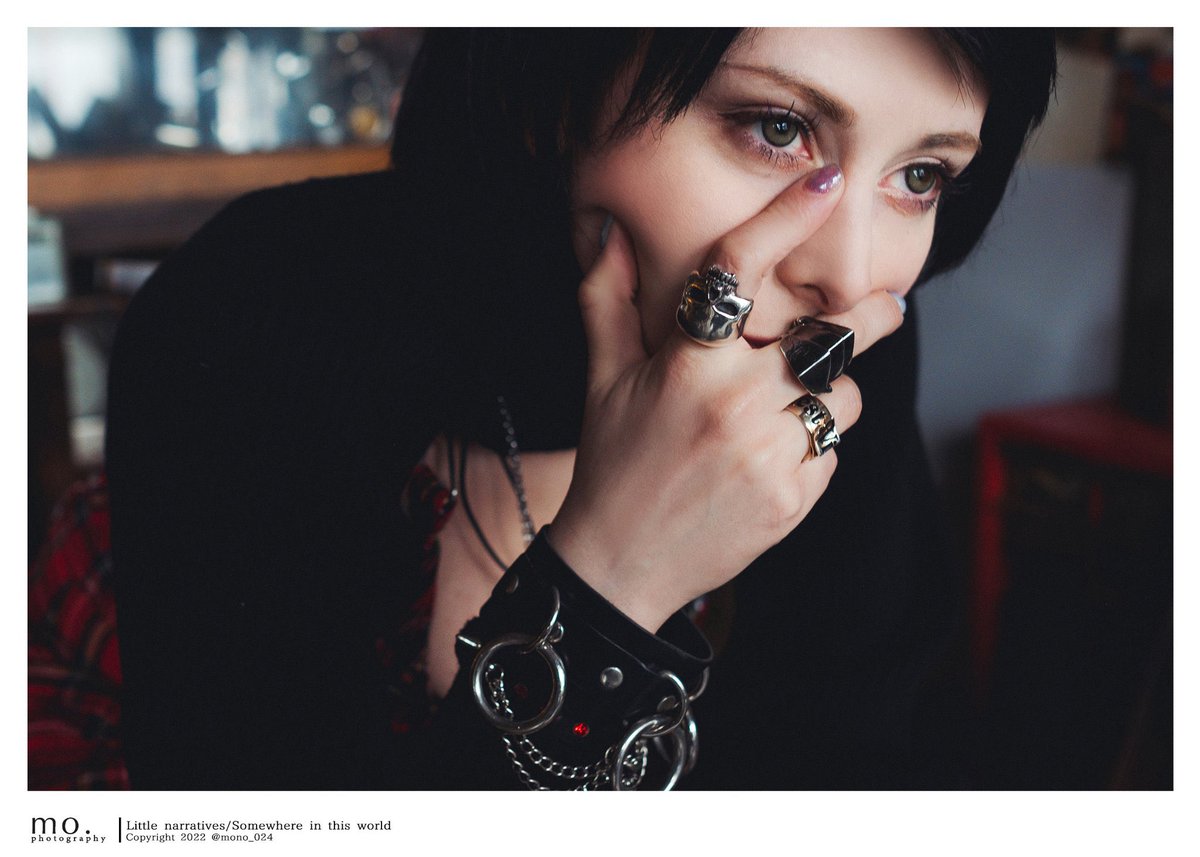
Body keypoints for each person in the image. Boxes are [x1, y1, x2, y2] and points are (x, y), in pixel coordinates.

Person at [106, 28, 1057, 789]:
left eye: (920, 176)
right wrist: (613, 580)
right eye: (776, 128)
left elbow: (857, 770)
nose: (848, 273)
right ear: (562, 91)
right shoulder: (255, 310)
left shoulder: (841, 357)